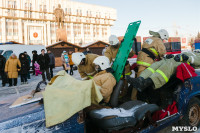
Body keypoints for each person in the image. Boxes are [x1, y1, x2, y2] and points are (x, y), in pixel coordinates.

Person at [131, 29, 168, 100]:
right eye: (164, 39)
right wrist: (163, 57)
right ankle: (134, 98)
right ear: (162, 36)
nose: (163, 41)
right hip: (146, 61)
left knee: (139, 78)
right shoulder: (158, 40)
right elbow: (162, 51)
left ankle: (139, 97)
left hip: (141, 59)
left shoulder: (150, 38)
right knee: (140, 80)